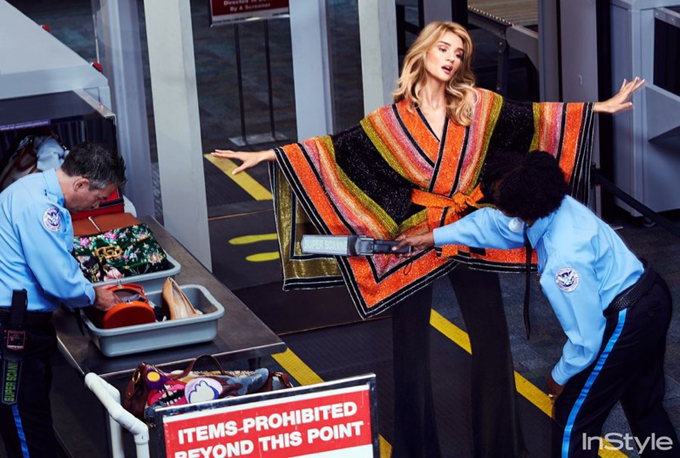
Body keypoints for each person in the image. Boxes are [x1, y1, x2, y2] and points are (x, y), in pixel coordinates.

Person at [212, 21, 643, 457]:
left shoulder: (477, 105)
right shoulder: (389, 121)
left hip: (466, 227)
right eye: (444, 48)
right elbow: (335, 150)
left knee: (492, 338)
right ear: (423, 52)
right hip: (417, 232)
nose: (451, 58)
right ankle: (416, 450)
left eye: (459, 53)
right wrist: (267, 154)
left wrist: (599, 108)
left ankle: (501, 449)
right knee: (409, 346)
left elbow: (534, 117)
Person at [394, 151, 680, 457]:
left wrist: (558, 377)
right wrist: (430, 238)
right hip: (652, 293)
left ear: (522, 208)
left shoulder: (562, 258)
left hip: (627, 318)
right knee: (644, 406)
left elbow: (587, 337)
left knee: (573, 419)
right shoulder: (554, 205)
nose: (497, 204)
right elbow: (493, 225)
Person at [0, 142, 125, 458]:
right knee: (26, 427)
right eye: (98, 197)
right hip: (12, 331)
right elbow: (58, 278)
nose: (95, 205)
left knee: (31, 419)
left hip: (19, 324)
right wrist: (94, 296)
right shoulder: (41, 207)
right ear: (81, 183)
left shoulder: (31, 189)